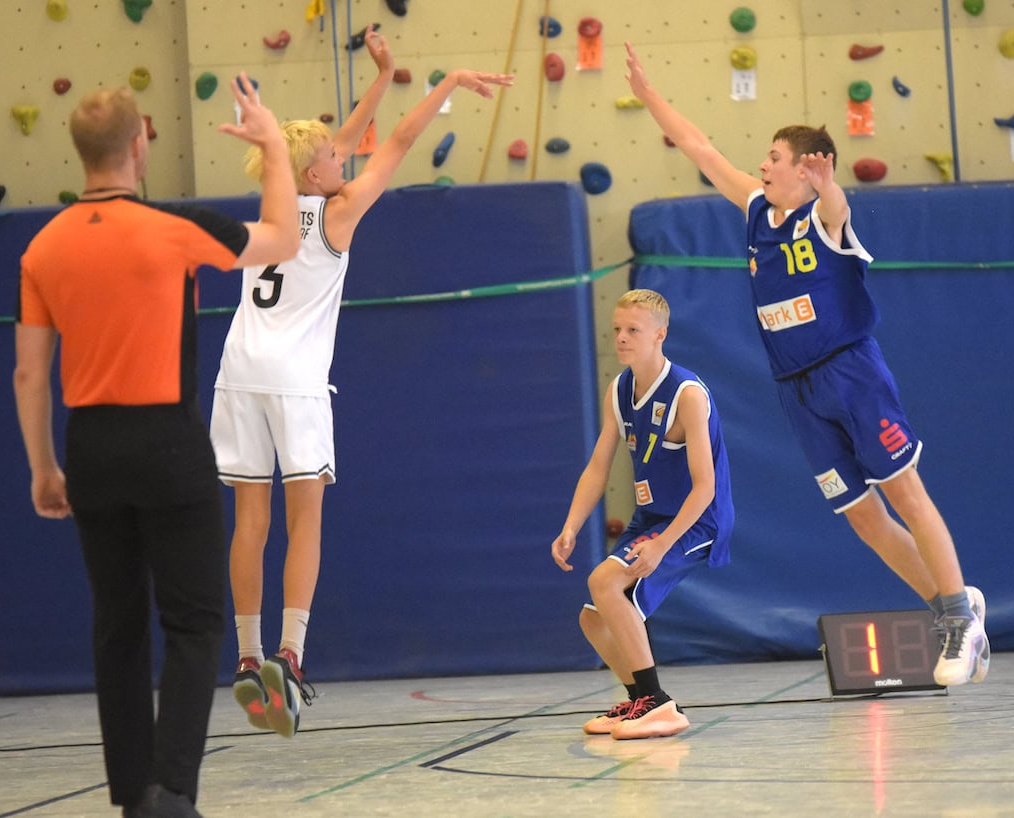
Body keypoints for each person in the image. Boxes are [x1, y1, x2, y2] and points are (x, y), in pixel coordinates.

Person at [623, 42, 988, 687]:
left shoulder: (822, 216)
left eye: (773, 157)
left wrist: (830, 187)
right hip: (797, 390)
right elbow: (702, 150)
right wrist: (650, 96)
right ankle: (947, 605)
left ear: (804, 171)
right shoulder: (757, 210)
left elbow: (837, 209)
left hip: (851, 372)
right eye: (765, 156)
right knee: (864, 519)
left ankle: (960, 617)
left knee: (905, 490)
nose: (762, 164)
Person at [209, 25, 514, 738]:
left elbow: (333, 142)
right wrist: (441, 84)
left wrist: (382, 75)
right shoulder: (337, 217)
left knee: (249, 524)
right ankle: (292, 652)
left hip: (237, 372)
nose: (351, 154)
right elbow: (399, 143)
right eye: (339, 156)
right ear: (319, 173)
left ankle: (249, 659)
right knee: (304, 517)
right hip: (293, 378)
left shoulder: (276, 209)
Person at [13, 77, 299, 818]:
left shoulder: (41, 247)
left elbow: (28, 372)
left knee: (116, 625)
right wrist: (272, 144)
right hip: (168, 441)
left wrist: (45, 465)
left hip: (94, 444)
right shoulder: (173, 229)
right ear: (140, 142)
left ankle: (132, 794)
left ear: (80, 153)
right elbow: (284, 239)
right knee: (196, 621)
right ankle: (171, 791)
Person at [551, 289, 734, 740]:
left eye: (633, 330)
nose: (622, 338)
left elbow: (705, 487)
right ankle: (640, 698)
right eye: (617, 329)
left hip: (696, 520)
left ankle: (658, 704)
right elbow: (598, 467)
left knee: (606, 582)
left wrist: (663, 544)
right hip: (650, 517)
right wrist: (571, 525)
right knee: (594, 616)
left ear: (660, 335)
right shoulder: (620, 389)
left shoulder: (687, 394)